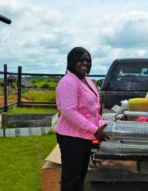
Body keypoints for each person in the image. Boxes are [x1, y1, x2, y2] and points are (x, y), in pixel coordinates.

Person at [55, 47, 109, 191]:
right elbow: (69, 111)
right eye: (80, 59)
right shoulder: (68, 82)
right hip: (71, 138)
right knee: (71, 178)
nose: (84, 63)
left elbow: (92, 109)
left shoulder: (87, 81)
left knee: (80, 175)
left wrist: (103, 122)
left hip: (84, 136)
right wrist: (94, 129)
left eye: (87, 60)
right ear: (71, 61)